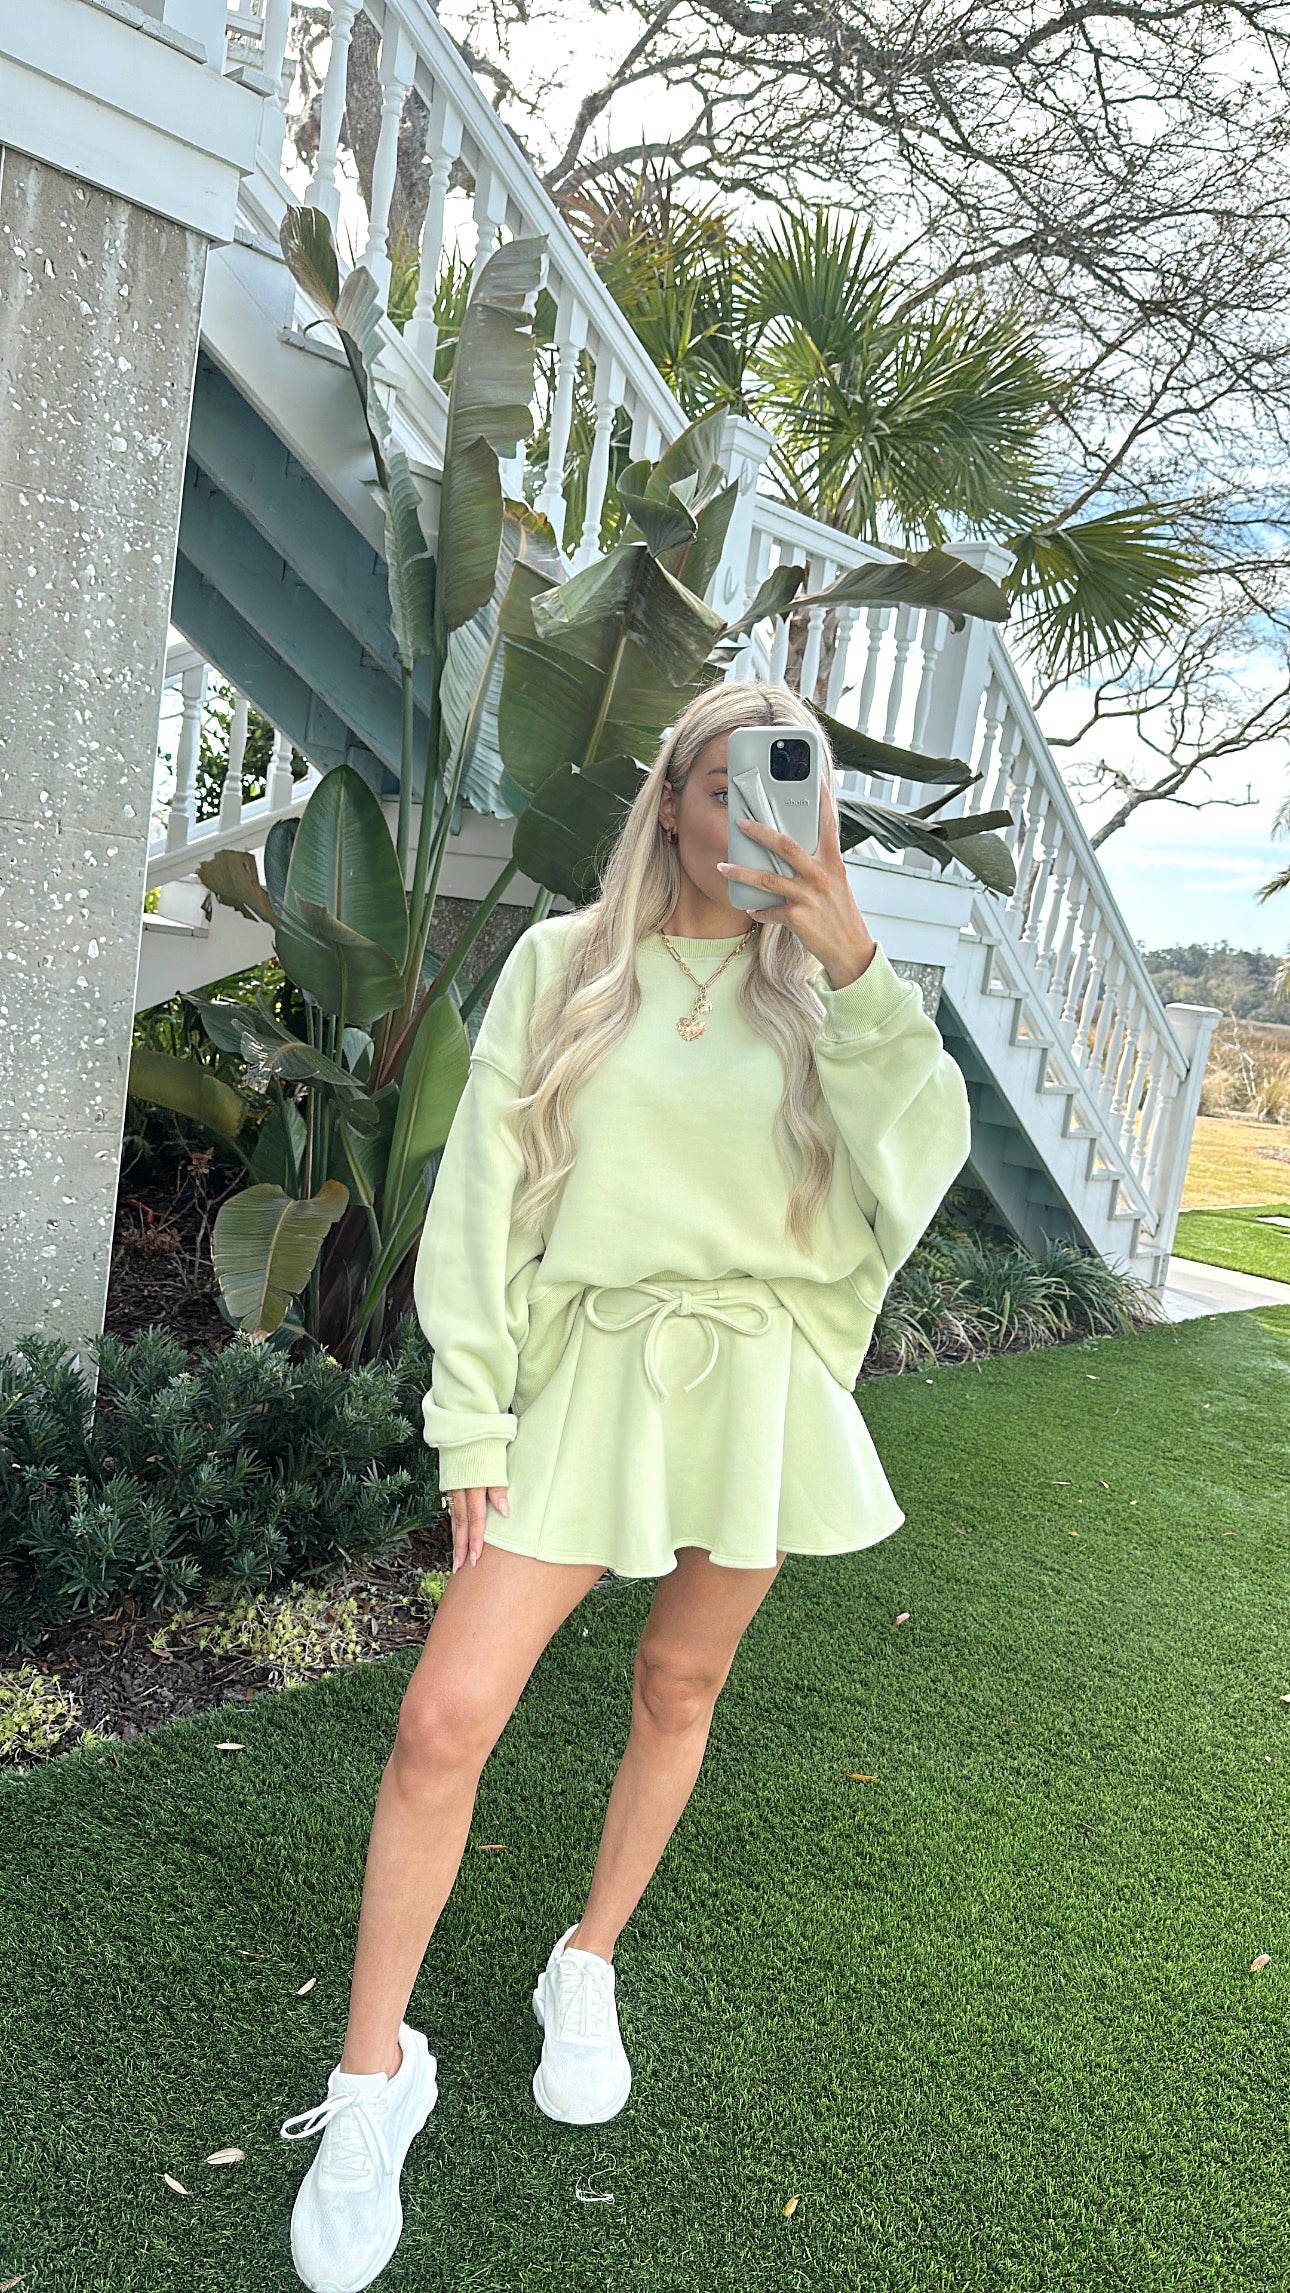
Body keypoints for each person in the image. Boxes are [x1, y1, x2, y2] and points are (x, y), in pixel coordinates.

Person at [279, 679, 972, 2292]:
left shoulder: (837, 995)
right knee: (441, 1719)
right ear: (671, 799)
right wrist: (471, 1416)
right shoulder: (560, 965)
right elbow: (482, 1200)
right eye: (729, 787)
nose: (758, 821)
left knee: (678, 1683)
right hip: (585, 1374)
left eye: (793, 791)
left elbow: (917, 1160)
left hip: (754, 1384)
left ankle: (582, 1958)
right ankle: (374, 2072)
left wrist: (854, 957)